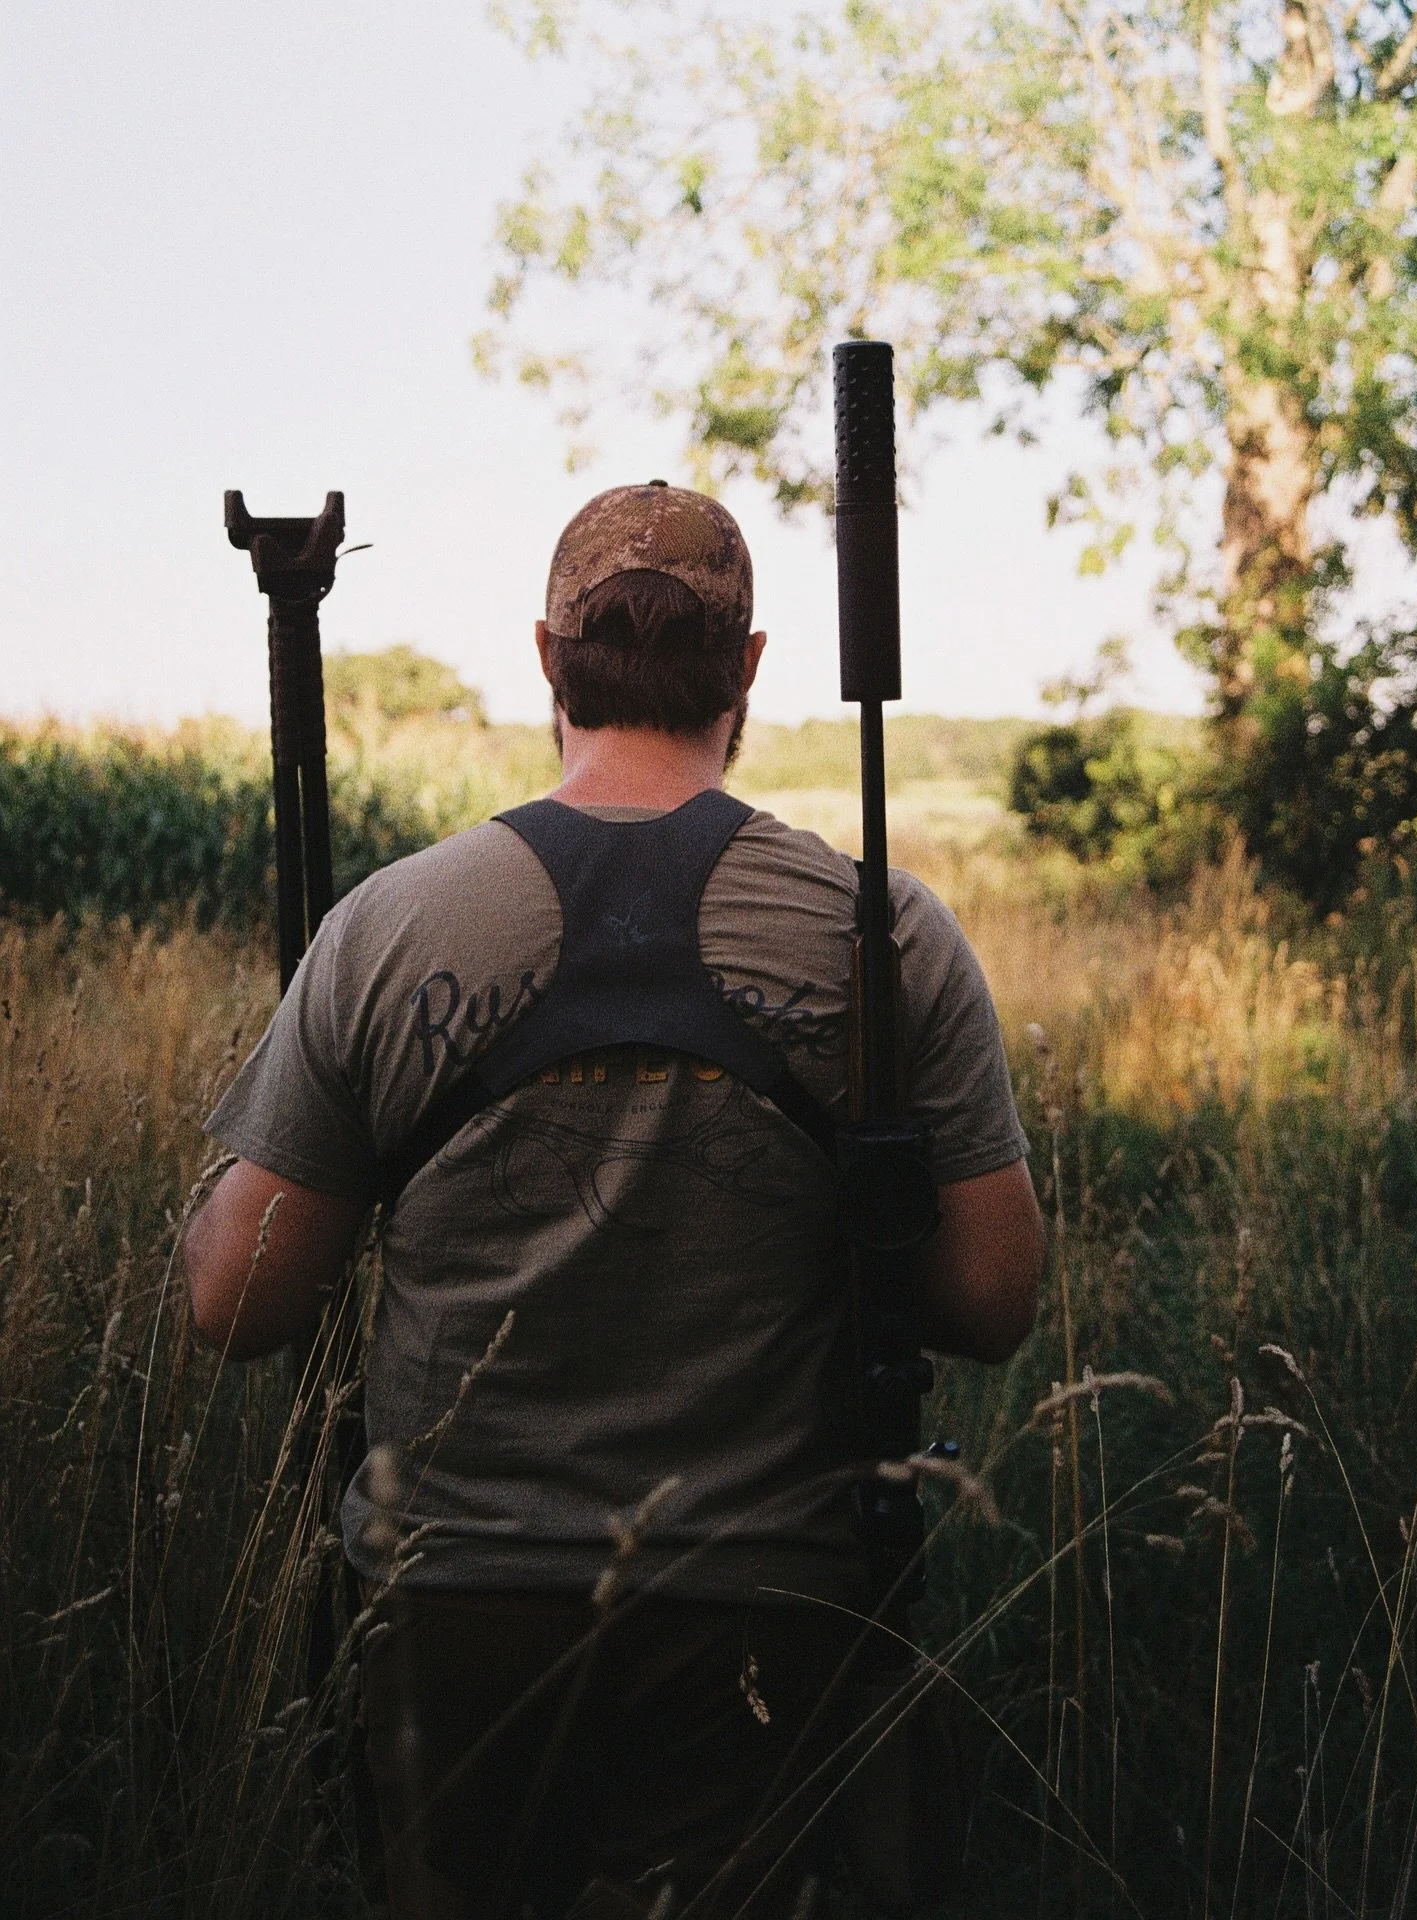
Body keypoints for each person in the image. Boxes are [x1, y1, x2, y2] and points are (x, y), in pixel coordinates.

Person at [184, 482, 1044, 1920]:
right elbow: (993, 1301)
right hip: (767, 1616)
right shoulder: (882, 932)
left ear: (547, 656)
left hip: (455, 1614)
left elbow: (237, 1302)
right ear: (749, 667)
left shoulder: (391, 926)